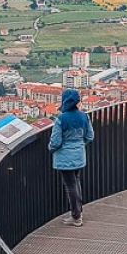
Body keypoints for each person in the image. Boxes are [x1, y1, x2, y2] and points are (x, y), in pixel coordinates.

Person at [48, 89, 94, 227]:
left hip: (65, 158)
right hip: (79, 156)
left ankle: (76, 216)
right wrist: (79, 145)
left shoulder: (61, 119)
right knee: (76, 182)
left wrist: (50, 148)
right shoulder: (84, 117)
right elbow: (90, 136)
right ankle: (78, 211)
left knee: (70, 186)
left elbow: (55, 142)